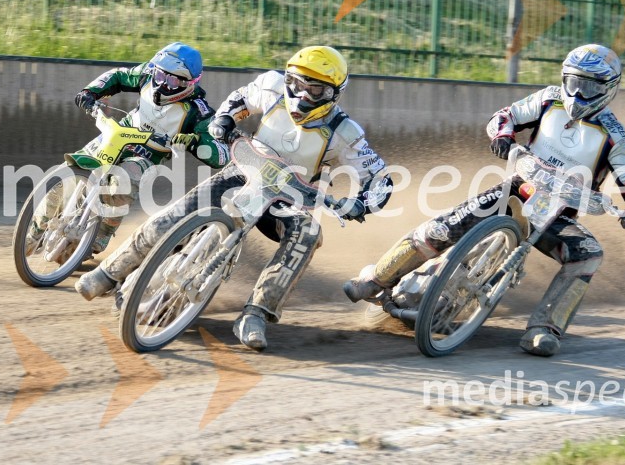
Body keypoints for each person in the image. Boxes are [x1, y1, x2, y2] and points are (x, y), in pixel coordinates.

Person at [343, 44, 625, 357]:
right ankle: (375, 279)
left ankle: (545, 328)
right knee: (440, 228)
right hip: (516, 190)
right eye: (574, 83)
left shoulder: (615, 136)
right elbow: (507, 115)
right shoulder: (549, 99)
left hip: (558, 215)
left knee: (588, 255)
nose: (579, 93)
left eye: (590, 87)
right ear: (564, 79)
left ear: (608, 88)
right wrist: (503, 135)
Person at [76, 46, 393, 351]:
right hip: (245, 169)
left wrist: (360, 203)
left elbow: (380, 178)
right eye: (297, 84)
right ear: (287, 79)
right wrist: (224, 120)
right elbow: (240, 98)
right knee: (177, 213)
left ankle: (257, 314)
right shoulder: (270, 86)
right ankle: (109, 272)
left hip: (291, 198)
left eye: (315, 90)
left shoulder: (345, 132)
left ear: (334, 93)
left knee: (308, 234)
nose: (301, 95)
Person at [28, 42, 228, 258]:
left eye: (171, 80)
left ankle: (100, 236)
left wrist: (195, 141)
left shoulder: (199, 111)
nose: (161, 84)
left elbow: (221, 155)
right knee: (66, 176)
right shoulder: (147, 74)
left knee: (122, 183)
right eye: (160, 75)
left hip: (149, 154)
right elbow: (118, 76)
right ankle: (33, 231)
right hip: (119, 134)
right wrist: (90, 92)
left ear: (188, 83)